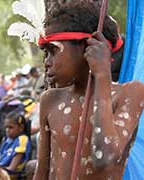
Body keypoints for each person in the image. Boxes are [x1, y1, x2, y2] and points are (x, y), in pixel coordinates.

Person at [33, 2, 144, 180]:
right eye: (45, 53)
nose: (46, 62)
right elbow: (42, 172)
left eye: (53, 51)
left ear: (88, 48)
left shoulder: (130, 93)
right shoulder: (50, 100)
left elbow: (104, 160)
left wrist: (102, 77)